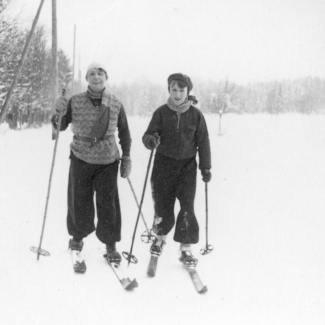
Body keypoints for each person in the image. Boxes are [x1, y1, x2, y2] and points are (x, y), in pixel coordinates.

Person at [51, 62, 132, 265]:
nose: (97, 77)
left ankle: (110, 243)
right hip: (81, 157)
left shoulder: (115, 103)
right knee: (79, 200)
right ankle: (77, 238)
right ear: (87, 78)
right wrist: (57, 113)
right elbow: (60, 126)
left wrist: (127, 157)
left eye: (101, 73)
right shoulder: (75, 101)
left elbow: (124, 133)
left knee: (108, 204)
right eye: (92, 73)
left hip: (107, 160)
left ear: (106, 77)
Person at [142, 73, 211, 267]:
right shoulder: (161, 112)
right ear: (169, 90)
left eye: (182, 90)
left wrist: (205, 167)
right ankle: (160, 237)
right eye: (174, 89)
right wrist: (150, 140)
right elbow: (149, 134)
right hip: (163, 164)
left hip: (187, 167)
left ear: (188, 91)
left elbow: (203, 143)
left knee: (187, 206)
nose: (178, 94)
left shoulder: (196, 115)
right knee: (162, 204)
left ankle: (186, 247)